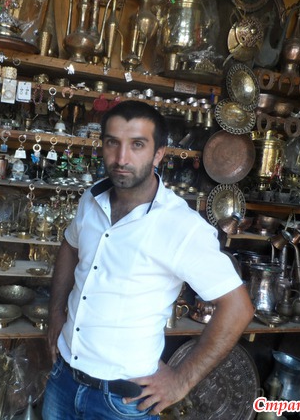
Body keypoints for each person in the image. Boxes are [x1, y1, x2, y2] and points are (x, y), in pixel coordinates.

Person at [43, 100, 254, 419]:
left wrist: (181, 380)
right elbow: (70, 246)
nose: (121, 158)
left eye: (137, 145)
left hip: (123, 402)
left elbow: (238, 308)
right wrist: (55, 314)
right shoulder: (92, 198)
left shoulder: (181, 226)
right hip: (63, 379)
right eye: (112, 143)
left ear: (159, 154)